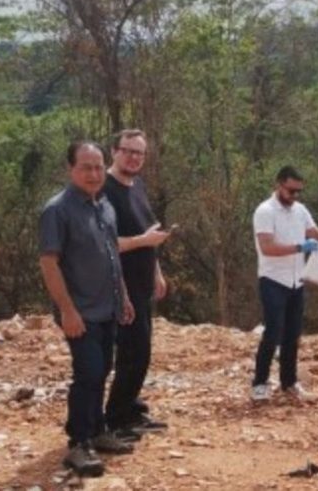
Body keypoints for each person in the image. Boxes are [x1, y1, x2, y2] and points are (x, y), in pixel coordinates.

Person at [39, 141, 136, 477]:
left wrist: (122, 296)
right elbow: (49, 263)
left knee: (103, 368)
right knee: (89, 373)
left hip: (107, 307)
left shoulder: (104, 205)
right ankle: (79, 443)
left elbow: (112, 255)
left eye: (98, 167)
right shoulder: (58, 210)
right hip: (79, 311)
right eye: (86, 167)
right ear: (71, 169)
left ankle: (98, 430)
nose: (94, 174)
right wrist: (66, 310)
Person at [103, 129, 173, 437]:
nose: (134, 158)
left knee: (141, 352)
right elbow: (104, 243)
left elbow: (149, 232)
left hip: (143, 284)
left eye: (139, 153)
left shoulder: (137, 185)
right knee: (130, 354)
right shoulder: (104, 190)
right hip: (120, 288)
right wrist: (143, 241)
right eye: (128, 151)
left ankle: (131, 409)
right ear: (113, 151)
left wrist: (156, 270)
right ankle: (117, 416)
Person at [251, 166, 318, 402]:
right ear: (279, 185)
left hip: (296, 280)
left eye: (299, 191)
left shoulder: (300, 210)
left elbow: (313, 230)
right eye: (291, 191)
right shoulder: (265, 211)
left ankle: (288, 382)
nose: (295, 196)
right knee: (273, 332)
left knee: (293, 333)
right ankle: (259, 382)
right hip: (272, 279)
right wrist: (300, 247)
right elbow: (267, 248)